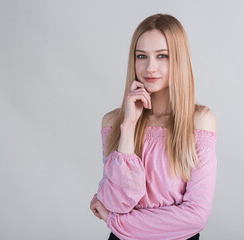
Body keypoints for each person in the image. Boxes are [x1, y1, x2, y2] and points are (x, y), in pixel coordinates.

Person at [90, 13, 218, 240]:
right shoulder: (113, 121)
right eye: (142, 56)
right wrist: (128, 126)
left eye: (162, 56)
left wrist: (115, 221)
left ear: (178, 58)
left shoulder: (199, 121)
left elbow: (196, 216)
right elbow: (118, 201)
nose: (150, 67)